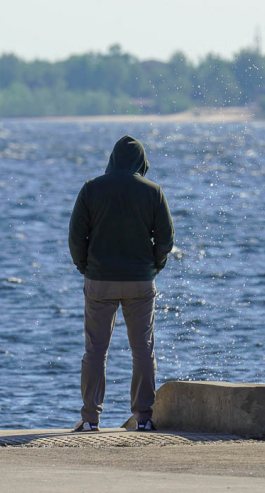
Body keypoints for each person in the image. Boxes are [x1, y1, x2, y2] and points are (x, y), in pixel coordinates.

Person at [68, 135, 175, 432]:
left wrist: (85, 268)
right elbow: (165, 239)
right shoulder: (153, 192)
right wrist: (153, 267)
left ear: (112, 159)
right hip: (140, 283)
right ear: (142, 162)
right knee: (143, 350)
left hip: (99, 282)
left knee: (95, 351)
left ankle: (90, 419)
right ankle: (144, 418)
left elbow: (76, 237)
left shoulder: (91, 189)